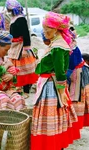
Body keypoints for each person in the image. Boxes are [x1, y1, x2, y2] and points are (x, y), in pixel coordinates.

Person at [31, 12, 80, 150]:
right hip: (49, 84)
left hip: (51, 86)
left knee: (51, 117)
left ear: (57, 29)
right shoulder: (57, 43)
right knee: (55, 117)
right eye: (44, 29)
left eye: (48, 29)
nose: (45, 32)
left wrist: (61, 92)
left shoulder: (58, 46)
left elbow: (60, 72)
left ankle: (52, 145)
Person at [5, 0, 38, 98]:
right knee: (14, 68)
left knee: (25, 69)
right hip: (14, 46)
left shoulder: (21, 19)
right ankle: (17, 89)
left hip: (21, 46)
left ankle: (26, 91)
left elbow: (26, 34)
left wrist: (26, 48)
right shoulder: (14, 18)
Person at [67, 25, 89, 128]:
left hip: (78, 74)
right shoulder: (71, 44)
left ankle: (75, 124)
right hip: (79, 71)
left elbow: (72, 63)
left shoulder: (70, 46)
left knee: (76, 98)